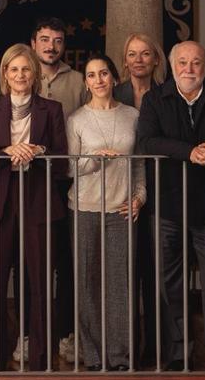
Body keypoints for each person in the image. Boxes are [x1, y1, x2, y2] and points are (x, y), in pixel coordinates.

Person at [136, 40, 205, 372]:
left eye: (196, 62)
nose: (189, 69)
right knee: (171, 286)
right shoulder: (155, 99)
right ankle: (179, 352)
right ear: (171, 65)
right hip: (167, 205)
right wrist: (190, 151)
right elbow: (147, 141)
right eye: (182, 62)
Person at [0, 44, 67, 372]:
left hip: (39, 200)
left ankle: (42, 360)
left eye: (26, 69)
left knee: (40, 283)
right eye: (13, 70)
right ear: (5, 74)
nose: (20, 76)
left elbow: (62, 164)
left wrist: (39, 150)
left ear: (35, 74)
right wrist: (6, 151)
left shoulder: (52, 110)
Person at [66, 53, 146, 371]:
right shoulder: (76, 120)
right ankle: (94, 355)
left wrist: (140, 196)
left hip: (121, 208)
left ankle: (120, 355)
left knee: (120, 284)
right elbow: (72, 169)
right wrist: (95, 158)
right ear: (85, 82)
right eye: (91, 75)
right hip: (84, 207)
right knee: (87, 283)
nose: (98, 80)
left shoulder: (133, 116)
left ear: (114, 77)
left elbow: (139, 162)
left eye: (103, 74)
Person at [29, 17, 84, 364]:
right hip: (27, 179)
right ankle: (28, 336)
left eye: (58, 41)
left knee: (65, 261)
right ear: (33, 42)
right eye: (45, 39)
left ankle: (64, 333)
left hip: (64, 180)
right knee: (29, 262)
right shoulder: (19, 72)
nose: (51, 46)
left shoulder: (78, 80)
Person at [112, 31, 166, 366]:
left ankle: (156, 347)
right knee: (125, 270)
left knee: (154, 269)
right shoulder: (114, 92)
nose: (138, 60)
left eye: (145, 54)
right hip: (121, 190)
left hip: (160, 188)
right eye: (132, 54)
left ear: (156, 60)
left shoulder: (167, 94)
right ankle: (126, 346)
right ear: (125, 60)